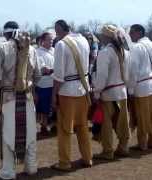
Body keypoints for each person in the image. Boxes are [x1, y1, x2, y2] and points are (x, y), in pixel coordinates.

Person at [0, 21, 40, 180]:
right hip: (28, 98)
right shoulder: (32, 49)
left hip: (9, 98)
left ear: (5, 33)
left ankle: (8, 171)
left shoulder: (1, 48)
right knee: (30, 133)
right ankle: (31, 167)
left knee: (8, 133)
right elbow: (38, 75)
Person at [51, 19, 92, 171]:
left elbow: (59, 75)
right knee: (82, 127)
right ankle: (87, 158)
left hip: (67, 91)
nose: (56, 34)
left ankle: (64, 162)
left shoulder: (61, 45)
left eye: (56, 30)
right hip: (83, 88)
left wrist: (53, 95)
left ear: (60, 29)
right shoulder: (84, 41)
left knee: (64, 129)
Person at [92, 25, 131, 160]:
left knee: (106, 123)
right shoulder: (125, 52)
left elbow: (102, 75)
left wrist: (97, 92)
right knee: (122, 122)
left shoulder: (105, 52)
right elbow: (127, 74)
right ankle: (123, 147)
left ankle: (108, 151)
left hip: (109, 94)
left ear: (105, 37)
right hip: (122, 91)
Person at [128, 24, 152, 150]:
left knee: (142, 116)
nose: (130, 35)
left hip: (141, 86)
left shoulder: (136, 47)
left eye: (132, 32)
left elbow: (134, 69)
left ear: (138, 32)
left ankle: (143, 143)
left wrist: (131, 88)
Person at [35, 32, 55, 134]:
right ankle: (43, 126)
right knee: (44, 106)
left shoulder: (54, 50)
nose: (51, 41)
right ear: (43, 41)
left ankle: (53, 125)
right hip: (43, 83)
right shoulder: (38, 52)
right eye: (49, 40)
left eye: (52, 40)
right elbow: (44, 69)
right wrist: (55, 70)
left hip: (54, 82)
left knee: (53, 105)